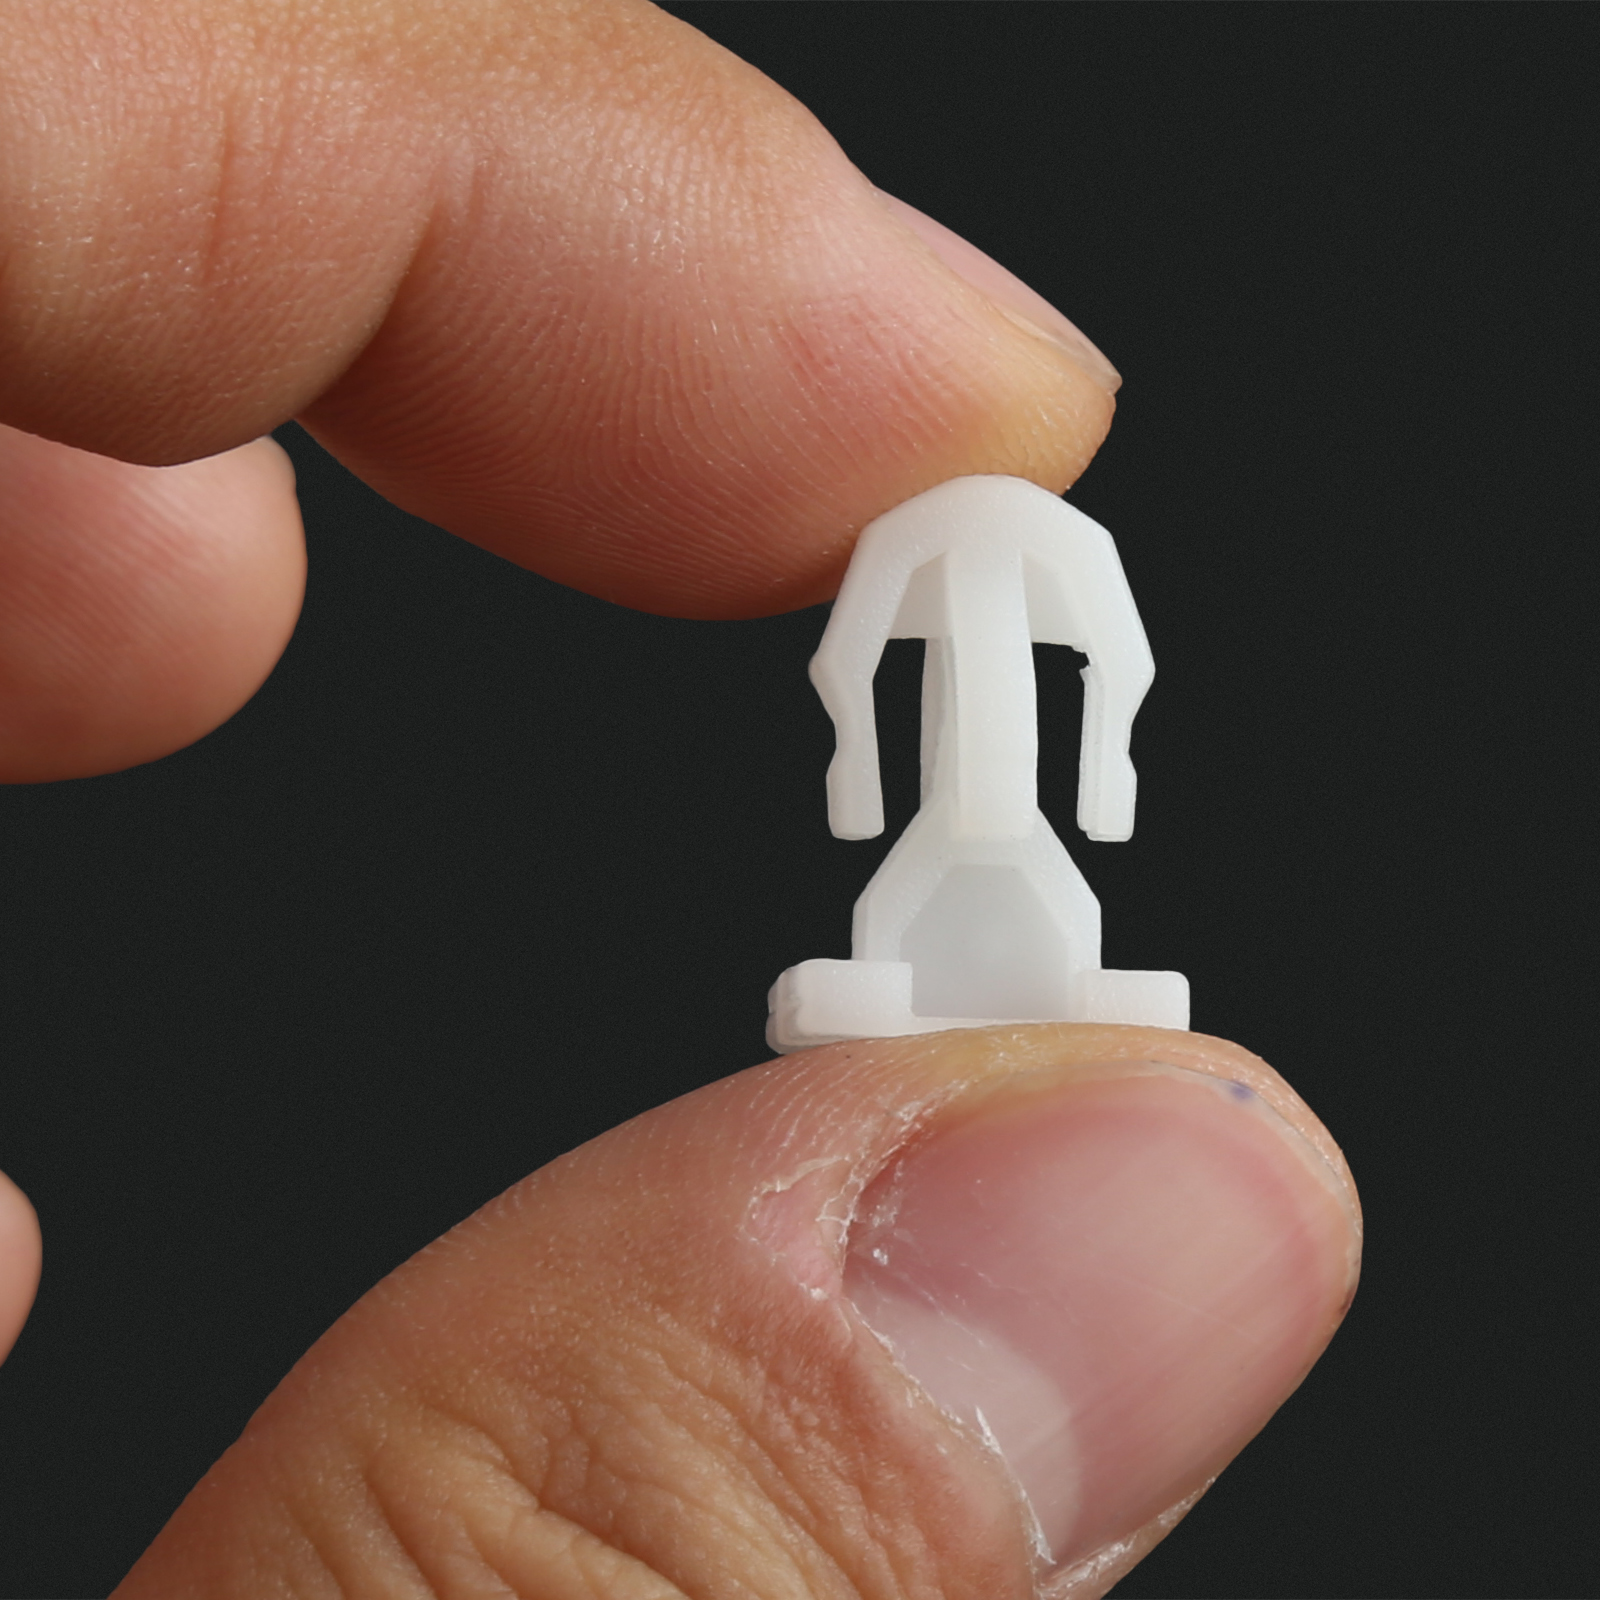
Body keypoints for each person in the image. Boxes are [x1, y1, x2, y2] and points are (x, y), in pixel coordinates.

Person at [0, 3, 1361, 1594]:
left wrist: (1099, 771)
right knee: (942, 887)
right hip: (947, 831)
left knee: (1012, 893)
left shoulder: (1042, 551)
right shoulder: (941, 548)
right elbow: (870, 654)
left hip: (1016, 836)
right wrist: (868, 765)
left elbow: (1106, 658)